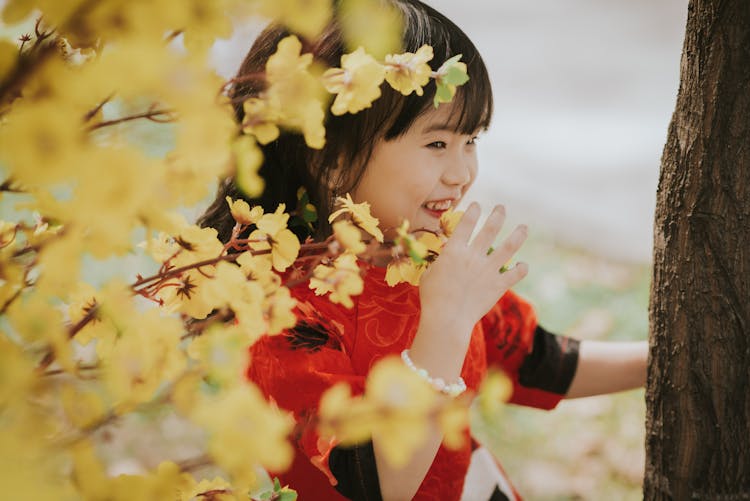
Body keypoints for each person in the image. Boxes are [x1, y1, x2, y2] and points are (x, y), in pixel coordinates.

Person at [198, 1, 648, 499]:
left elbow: (536, 361)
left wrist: (671, 360)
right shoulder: (280, 311)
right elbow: (375, 480)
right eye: (437, 144)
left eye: (471, 140)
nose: (462, 173)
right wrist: (446, 323)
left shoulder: (424, 256)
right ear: (329, 155)